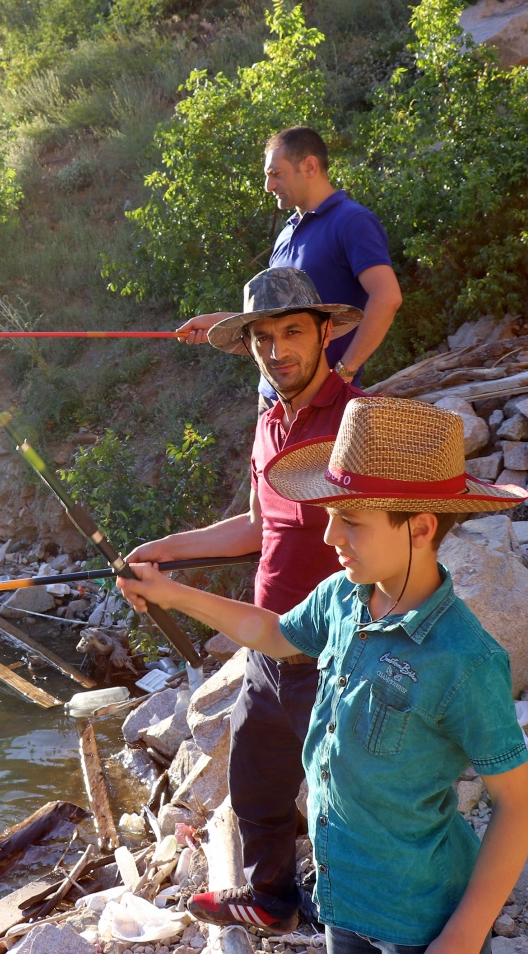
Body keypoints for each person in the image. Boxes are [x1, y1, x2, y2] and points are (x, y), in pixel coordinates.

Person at [120, 397, 528, 954]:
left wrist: (461, 937)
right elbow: (271, 634)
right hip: (340, 900)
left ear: (420, 527)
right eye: (331, 515)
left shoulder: (465, 660)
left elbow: (517, 807)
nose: (329, 537)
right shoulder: (342, 598)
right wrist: (171, 592)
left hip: (419, 918)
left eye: (352, 521)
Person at [127, 265, 364, 934]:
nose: (278, 350)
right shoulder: (268, 421)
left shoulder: (356, 422)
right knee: (256, 786)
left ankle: (363, 924)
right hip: (263, 646)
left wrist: (173, 592)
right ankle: (274, 901)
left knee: (343, 801)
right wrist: (164, 548)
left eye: (293, 332)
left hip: (333, 651)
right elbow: (260, 527)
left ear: (325, 332)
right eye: (263, 338)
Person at [179, 126, 402, 388]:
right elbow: (272, 317)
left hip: (324, 402)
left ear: (309, 166)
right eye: (267, 176)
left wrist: (344, 372)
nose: (268, 186)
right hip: (273, 401)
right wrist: (220, 323)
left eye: (276, 174)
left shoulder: (352, 221)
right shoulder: (286, 233)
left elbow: (387, 297)